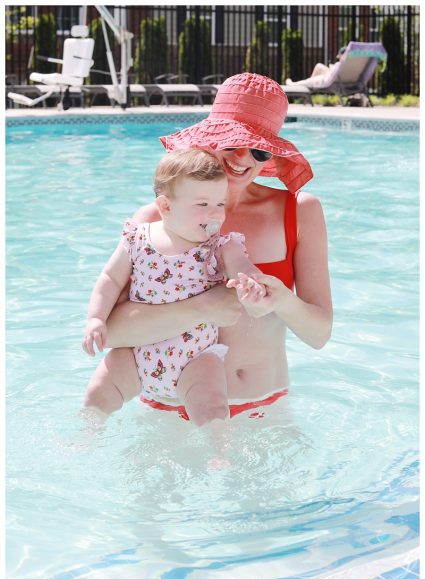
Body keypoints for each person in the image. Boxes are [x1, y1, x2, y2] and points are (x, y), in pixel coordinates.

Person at [96, 72, 333, 422]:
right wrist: (202, 307)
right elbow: (110, 332)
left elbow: (319, 335)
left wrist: (281, 300)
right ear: (211, 137)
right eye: (233, 143)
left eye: (259, 150)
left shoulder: (298, 212)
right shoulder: (158, 215)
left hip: (263, 409)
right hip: (167, 413)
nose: (243, 158)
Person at [82, 148, 267, 425]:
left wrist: (250, 280)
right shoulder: (137, 238)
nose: (216, 214)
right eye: (203, 204)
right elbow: (110, 279)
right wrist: (96, 319)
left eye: (220, 203)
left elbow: (242, 266)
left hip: (195, 358)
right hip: (135, 353)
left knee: (212, 406)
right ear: (166, 207)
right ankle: (84, 437)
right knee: (98, 393)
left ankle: (220, 446)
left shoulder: (220, 246)